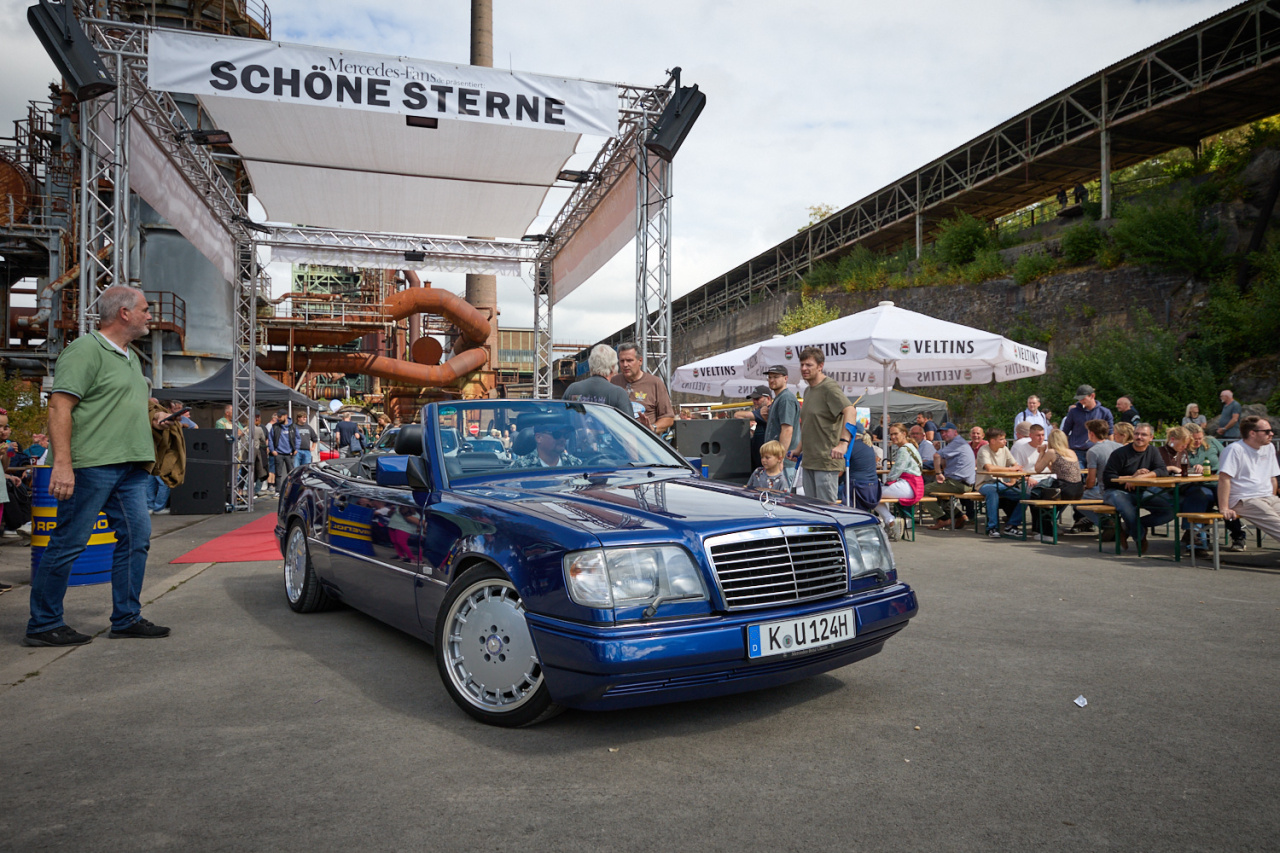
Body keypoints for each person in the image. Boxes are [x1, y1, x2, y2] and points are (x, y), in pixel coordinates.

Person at [25, 285, 170, 646]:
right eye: (145, 309)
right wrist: (62, 465)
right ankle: (43, 624)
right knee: (68, 543)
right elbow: (59, 407)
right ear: (124, 313)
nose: (150, 315)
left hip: (131, 467)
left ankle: (126, 618)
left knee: (137, 540)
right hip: (92, 466)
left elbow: (118, 404)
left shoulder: (130, 356)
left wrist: (154, 419)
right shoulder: (84, 350)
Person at [788, 347, 857, 504]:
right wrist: (798, 449)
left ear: (820, 366)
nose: (804, 368)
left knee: (826, 509)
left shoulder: (829, 387)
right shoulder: (808, 391)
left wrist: (843, 443)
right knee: (812, 509)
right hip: (809, 460)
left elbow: (850, 411)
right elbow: (810, 425)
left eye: (809, 365)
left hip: (826, 461)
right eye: (802, 364)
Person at [1102, 422, 1172, 554]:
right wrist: (1131, 478)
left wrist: (1140, 478)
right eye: (1137, 434)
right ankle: (1140, 537)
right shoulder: (1120, 453)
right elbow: (1108, 478)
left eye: (1143, 434)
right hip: (1116, 491)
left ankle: (1128, 528)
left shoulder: (1153, 451)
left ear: (1151, 437)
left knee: (1169, 510)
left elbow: (1162, 470)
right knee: (1127, 508)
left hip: (1142, 491)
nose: (1139, 437)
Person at [1218, 416, 1279, 551]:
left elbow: (1272, 477)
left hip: (1268, 497)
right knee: (1277, 525)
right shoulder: (1235, 449)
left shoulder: (1269, 447)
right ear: (1252, 433)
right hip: (1245, 499)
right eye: (1267, 431)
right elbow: (1224, 479)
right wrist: (1224, 508)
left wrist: (1273, 498)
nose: (1271, 434)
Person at [611, 343, 675, 433]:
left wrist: (652, 428)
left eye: (629, 360)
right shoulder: (613, 382)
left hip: (645, 440)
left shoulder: (655, 383)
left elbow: (668, 418)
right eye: (622, 361)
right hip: (620, 438)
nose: (625, 364)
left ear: (640, 361)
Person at [925, 423, 977, 529]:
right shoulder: (958, 443)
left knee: (922, 491)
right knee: (941, 496)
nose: (943, 434)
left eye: (946, 431)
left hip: (959, 484)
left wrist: (938, 473)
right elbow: (943, 461)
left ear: (955, 432)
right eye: (942, 432)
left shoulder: (957, 443)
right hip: (964, 483)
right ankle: (959, 516)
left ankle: (942, 519)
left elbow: (936, 456)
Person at [975, 427, 1025, 537]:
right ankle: (992, 527)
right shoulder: (984, 450)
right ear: (993, 441)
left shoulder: (1005, 449)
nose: (1005, 441)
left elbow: (1015, 465)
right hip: (985, 483)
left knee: (1025, 496)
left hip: (1000, 483)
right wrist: (1010, 470)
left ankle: (1011, 525)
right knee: (992, 492)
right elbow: (989, 468)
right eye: (1001, 439)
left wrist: (1012, 481)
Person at [1074, 419, 1121, 533]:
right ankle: (1107, 521)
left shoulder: (1093, 451)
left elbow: (1091, 480)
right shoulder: (1119, 446)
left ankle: (1105, 523)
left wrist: (1086, 487)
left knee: (1075, 499)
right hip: (1121, 487)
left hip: (1104, 489)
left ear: (1091, 433)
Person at [876, 423, 924, 536]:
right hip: (915, 486)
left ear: (904, 434)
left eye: (895, 434)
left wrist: (886, 482)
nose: (893, 437)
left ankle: (891, 521)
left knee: (869, 494)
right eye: (891, 434)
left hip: (909, 486)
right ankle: (890, 522)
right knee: (874, 494)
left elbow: (896, 471)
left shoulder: (904, 449)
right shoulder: (910, 447)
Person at [563, 344, 634, 417]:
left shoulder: (572, 389)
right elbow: (629, 423)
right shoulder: (618, 394)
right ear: (613, 367)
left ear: (590, 365)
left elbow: (562, 417)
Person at [761, 364, 800, 488]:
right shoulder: (780, 398)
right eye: (770, 377)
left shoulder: (785, 399)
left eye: (776, 377)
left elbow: (787, 430)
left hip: (785, 463)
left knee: (784, 498)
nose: (772, 380)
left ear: (785, 378)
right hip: (780, 461)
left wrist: (780, 459)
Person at [1060, 385, 1113, 466]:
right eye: (1079, 399)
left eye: (1083, 398)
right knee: (1077, 473)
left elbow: (1110, 433)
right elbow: (1065, 432)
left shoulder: (1105, 412)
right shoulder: (1073, 412)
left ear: (1092, 396)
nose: (1080, 401)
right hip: (1077, 451)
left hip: (1098, 451)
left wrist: (1110, 451)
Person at [734, 386, 772, 472]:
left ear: (768, 398)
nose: (754, 401)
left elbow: (737, 415)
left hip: (767, 464)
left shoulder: (767, 411)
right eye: (753, 399)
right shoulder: (760, 414)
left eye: (757, 399)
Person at [511, 423, 580, 468]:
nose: (563, 439)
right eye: (557, 434)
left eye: (566, 435)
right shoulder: (520, 467)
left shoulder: (575, 464)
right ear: (539, 438)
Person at [270, 409, 299, 488]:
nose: (278, 418)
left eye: (280, 416)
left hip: (290, 453)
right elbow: (270, 439)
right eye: (278, 416)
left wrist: (296, 448)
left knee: (291, 473)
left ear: (285, 416)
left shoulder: (293, 426)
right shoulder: (275, 426)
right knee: (278, 473)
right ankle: (278, 490)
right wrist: (272, 450)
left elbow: (297, 438)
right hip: (278, 453)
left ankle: (290, 489)